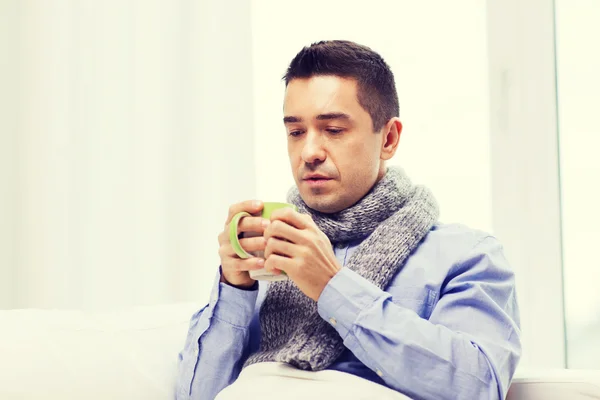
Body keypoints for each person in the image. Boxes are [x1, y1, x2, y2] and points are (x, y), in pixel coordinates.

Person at [175, 40, 521, 400]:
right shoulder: (262, 255)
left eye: (334, 130)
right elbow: (195, 395)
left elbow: (477, 386)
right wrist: (234, 288)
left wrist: (333, 286)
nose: (308, 152)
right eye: (295, 132)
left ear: (388, 138)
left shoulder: (466, 255)